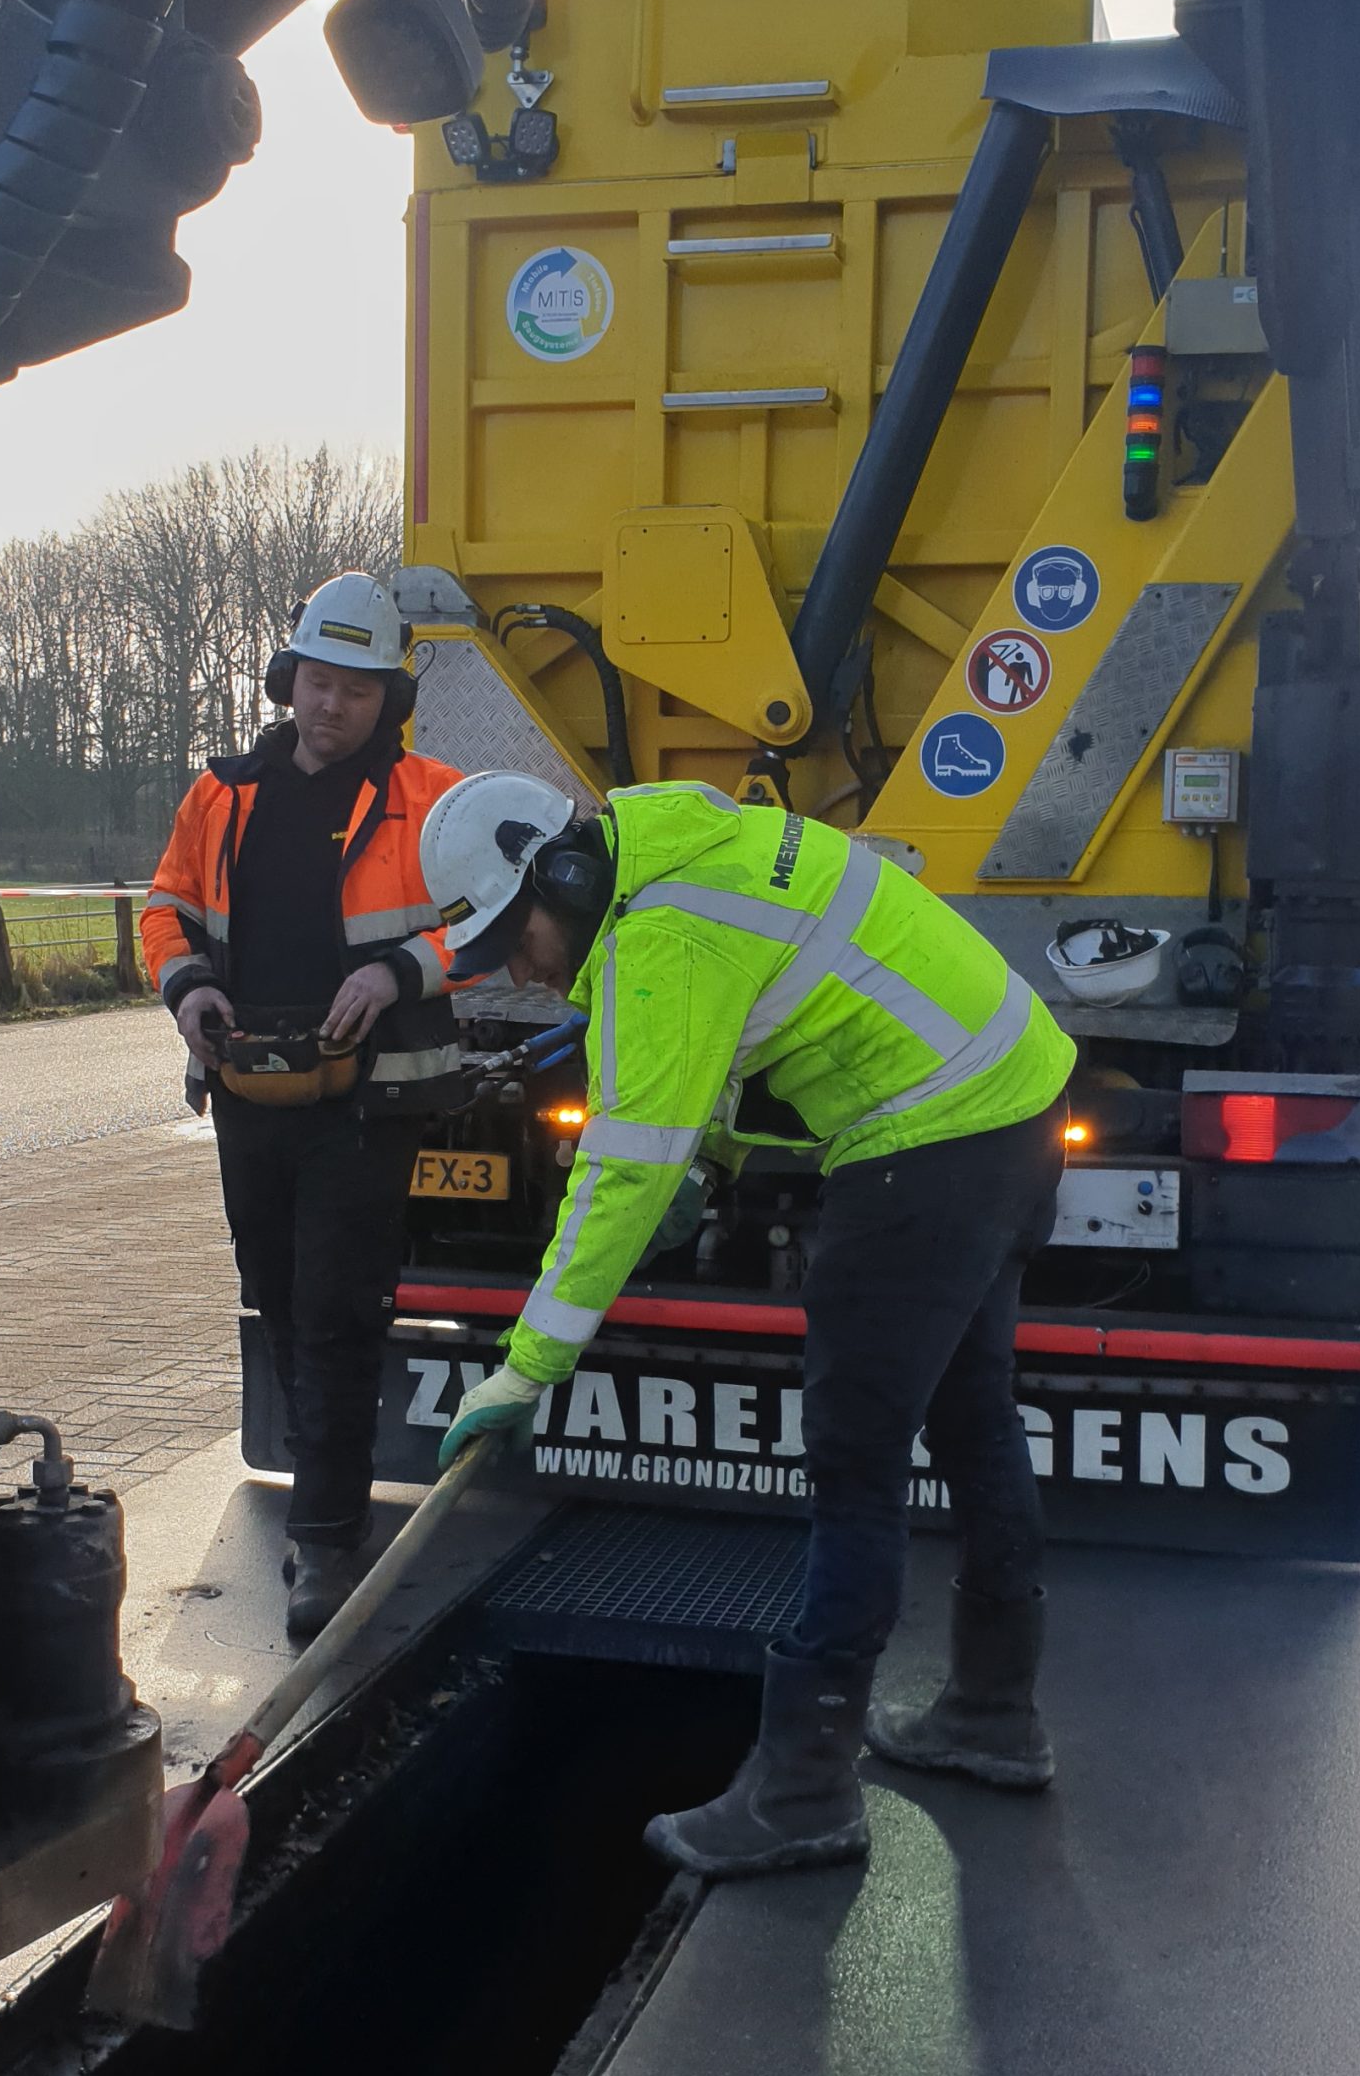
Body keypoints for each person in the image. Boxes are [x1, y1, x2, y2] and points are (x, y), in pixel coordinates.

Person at [423, 772, 1077, 1877]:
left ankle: (806, 1787)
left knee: (854, 1454)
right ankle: (993, 1710)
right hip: (1016, 1094)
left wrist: (525, 1366)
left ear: (563, 878)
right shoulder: (685, 852)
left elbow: (621, 1171)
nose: (523, 971)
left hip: (930, 1140)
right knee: (973, 1410)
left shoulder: (662, 934)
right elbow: (744, 1022)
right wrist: (714, 1158)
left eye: (515, 936)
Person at [141, 575, 463, 1642]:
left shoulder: (434, 797)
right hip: (250, 1091)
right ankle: (320, 1501)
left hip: (369, 1102)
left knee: (336, 1310)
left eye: (358, 691)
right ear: (290, 682)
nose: (334, 706)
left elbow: (499, 916)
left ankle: (327, 1539)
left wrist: (401, 974)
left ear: (388, 700)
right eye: (319, 683)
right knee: (277, 1295)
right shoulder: (221, 793)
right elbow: (166, 908)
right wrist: (190, 990)